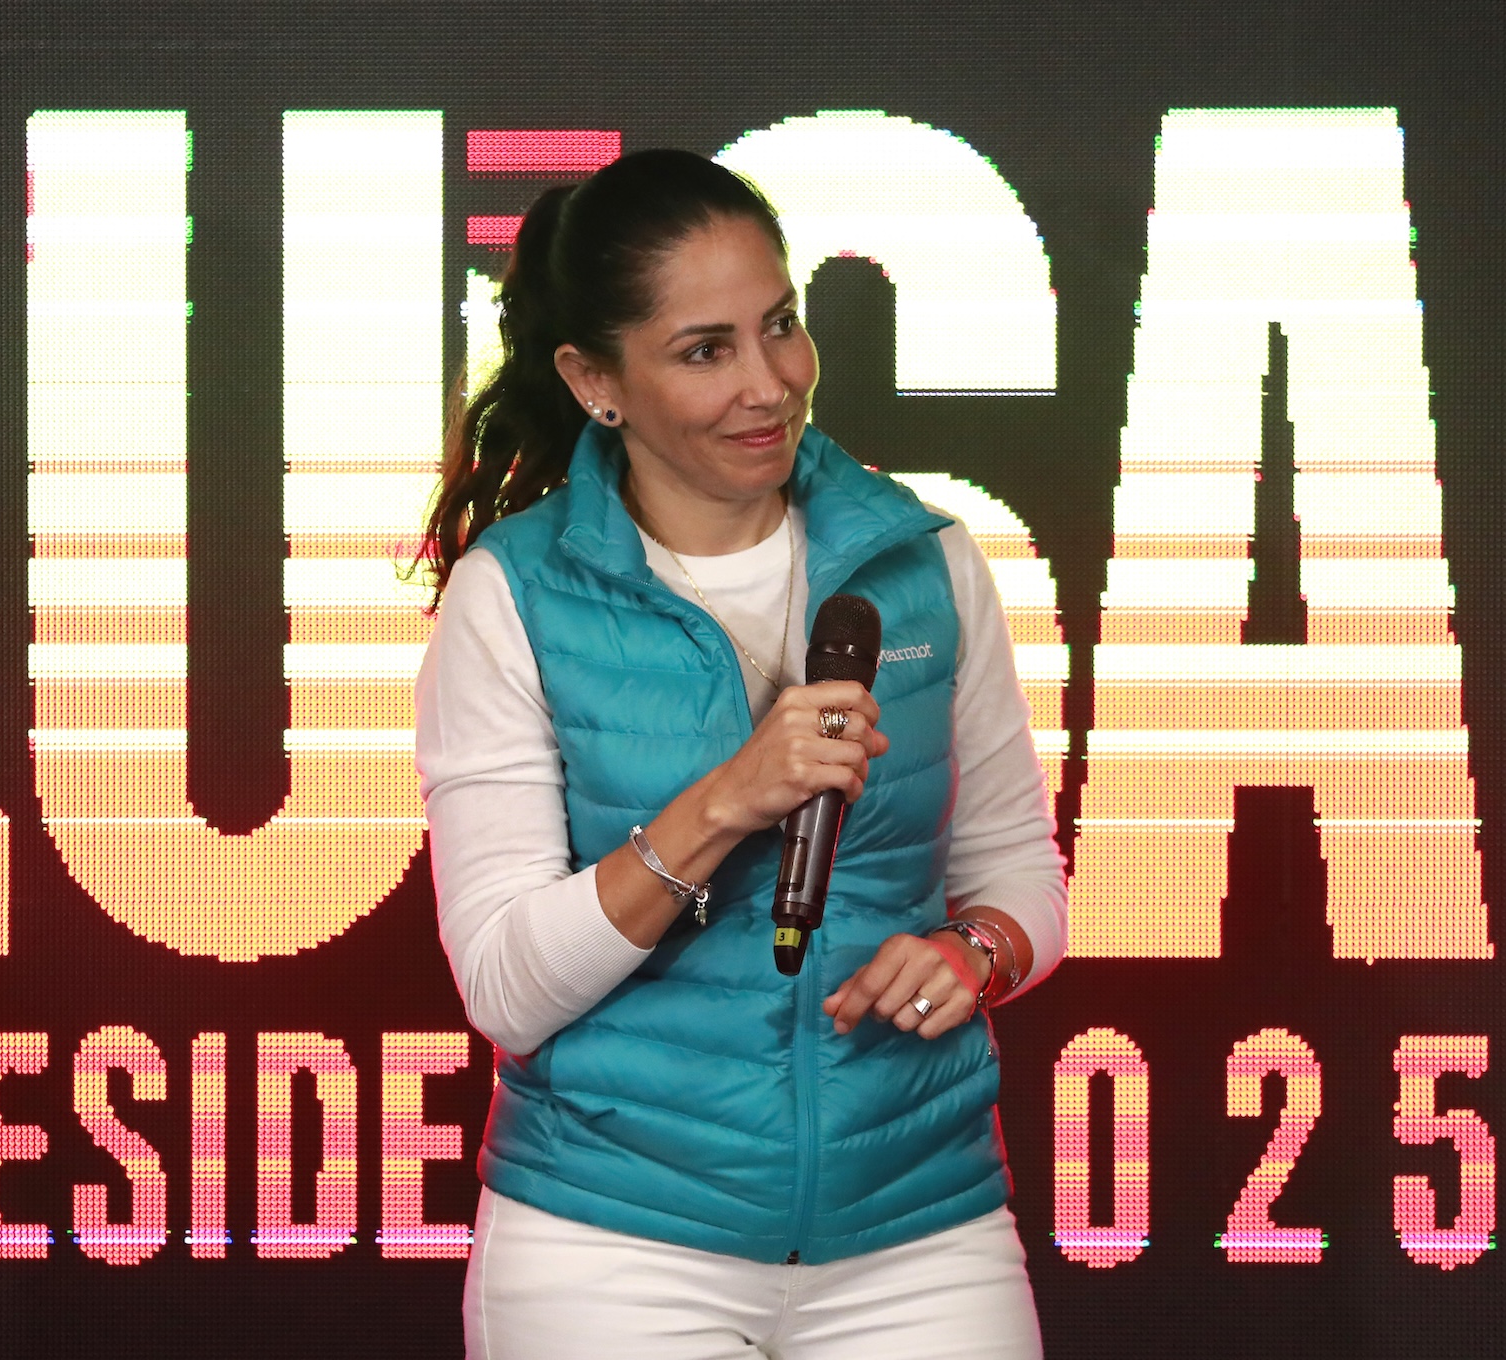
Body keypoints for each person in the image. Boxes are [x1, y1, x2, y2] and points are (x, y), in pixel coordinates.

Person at [415, 148, 1065, 1359]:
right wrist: (723, 800)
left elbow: (1019, 874)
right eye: (704, 350)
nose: (768, 384)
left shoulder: (925, 561)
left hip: (922, 1223)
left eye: (779, 326)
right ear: (594, 379)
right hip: (611, 1241)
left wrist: (971, 954)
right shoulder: (512, 597)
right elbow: (504, 989)